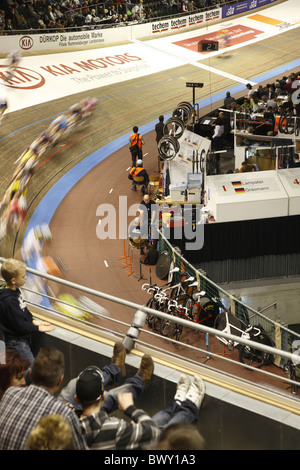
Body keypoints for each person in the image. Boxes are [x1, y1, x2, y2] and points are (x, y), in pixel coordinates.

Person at [0, 347, 87, 450]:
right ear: (60, 381)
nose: (23, 382)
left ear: (31, 374)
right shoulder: (65, 415)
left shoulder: (10, 393)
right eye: (19, 377)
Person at [76, 354, 159, 450]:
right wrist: (130, 408)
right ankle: (139, 382)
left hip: (83, 419)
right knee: (112, 397)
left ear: (76, 399)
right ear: (103, 396)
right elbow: (153, 431)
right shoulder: (116, 428)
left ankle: (118, 370)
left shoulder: (69, 423)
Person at [0, 258, 55, 366]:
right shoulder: (8, 301)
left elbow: (23, 310)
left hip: (21, 338)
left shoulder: (15, 290)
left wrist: (33, 321)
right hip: (16, 341)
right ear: (13, 280)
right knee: (30, 367)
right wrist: (38, 328)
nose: (26, 277)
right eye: (23, 276)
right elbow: (19, 325)